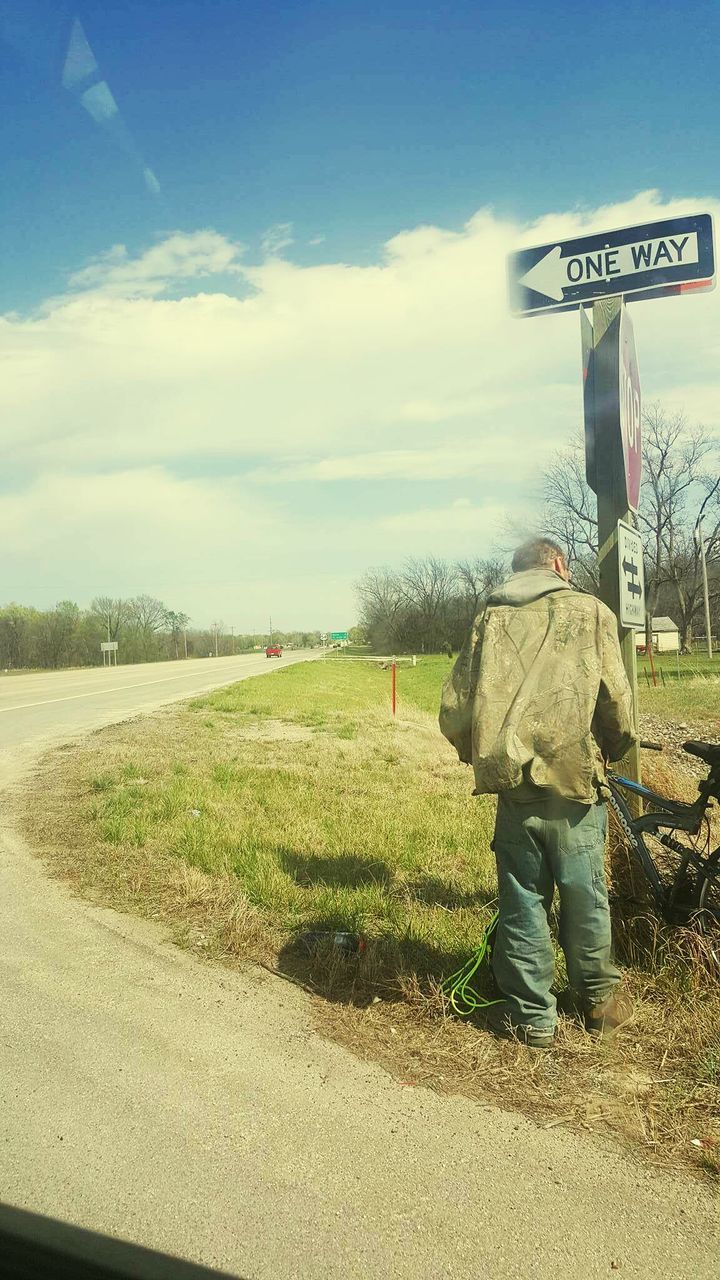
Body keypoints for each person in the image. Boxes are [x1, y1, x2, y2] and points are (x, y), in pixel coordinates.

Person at [439, 537, 636, 1049]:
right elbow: (615, 699)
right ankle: (598, 1007)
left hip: (513, 786)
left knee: (522, 900)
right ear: (558, 563)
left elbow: (456, 707)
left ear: (517, 571)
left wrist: (475, 754)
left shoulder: (489, 618)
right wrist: (614, 747)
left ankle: (532, 1020)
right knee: (585, 896)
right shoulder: (592, 612)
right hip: (574, 784)